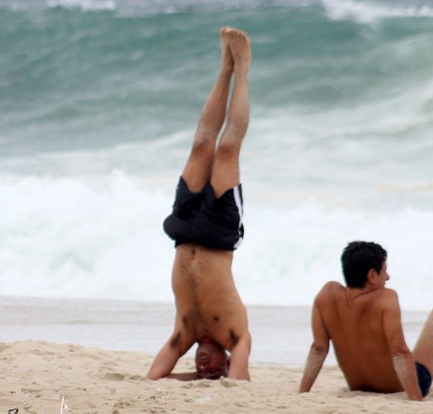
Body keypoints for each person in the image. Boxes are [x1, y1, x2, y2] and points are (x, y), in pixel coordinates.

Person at [146, 27, 252, 381]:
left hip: (184, 231)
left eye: (198, 368)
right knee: (227, 149)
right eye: (211, 370)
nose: (203, 365)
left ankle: (224, 66)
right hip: (220, 233)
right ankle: (242, 69)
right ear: (223, 364)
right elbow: (240, 383)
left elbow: (154, 379)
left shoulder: (184, 334)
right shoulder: (235, 337)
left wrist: (192, 379)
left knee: (201, 145)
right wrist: (220, 379)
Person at [299, 241, 433, 400]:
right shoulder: (386, 299)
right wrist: (416, 400)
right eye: (384, 270)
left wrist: (303, 393)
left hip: (358, 387)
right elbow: (399, 353)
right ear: (372, 275)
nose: (387, 277)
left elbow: (318, 349)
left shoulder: (326, 295)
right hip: (401, 387)